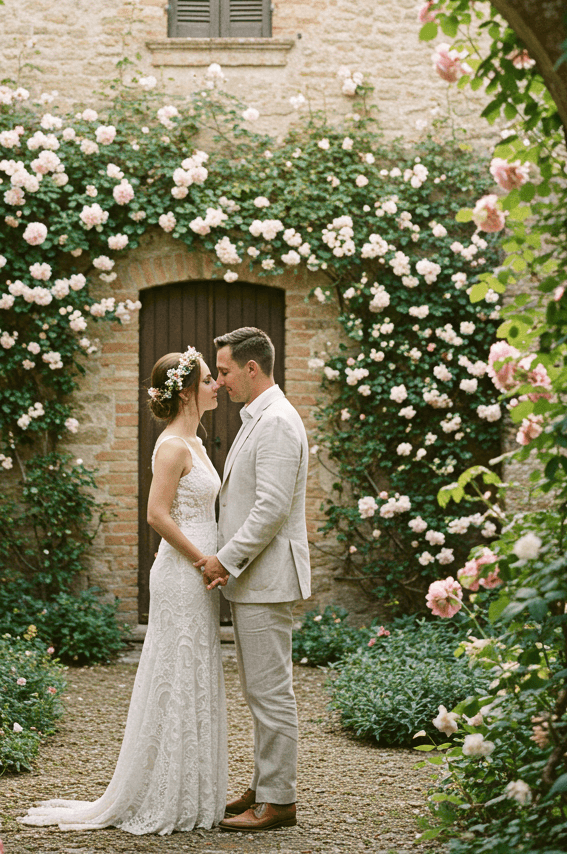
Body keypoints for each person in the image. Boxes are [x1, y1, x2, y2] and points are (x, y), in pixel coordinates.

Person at [18, 346, 227, 834]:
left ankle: (190, 789)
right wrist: (201, 559)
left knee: (193, 670)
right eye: (208, 379)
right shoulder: (174, 446)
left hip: (195, 574)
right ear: (188, 391)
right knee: (176, 671)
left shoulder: (196, 442)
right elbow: (157, 514)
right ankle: (160, 792)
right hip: (185, 574)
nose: (217, 384)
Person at [195, 326, 310, 834]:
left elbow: (270, 509)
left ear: (251, 368)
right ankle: (265, 786)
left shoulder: (279, 422)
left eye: (223, 372)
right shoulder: (256, 418)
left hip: (266, 577)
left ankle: (279, 800)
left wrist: (224, 559)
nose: (219, 382)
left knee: (271, 692)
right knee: (260, 691)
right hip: (255, 579)